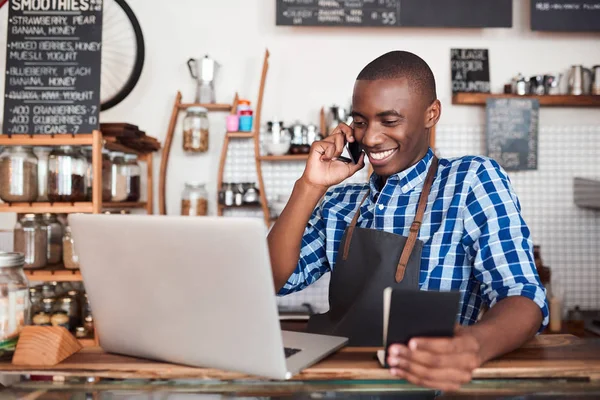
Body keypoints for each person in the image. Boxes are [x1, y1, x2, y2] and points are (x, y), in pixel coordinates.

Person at [267, 50, 548, 392]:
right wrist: (309, 185)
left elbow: (523, 296)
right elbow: (273, 279)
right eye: (359, 121)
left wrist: (473, 345)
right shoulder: (341, 203)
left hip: (428, 390)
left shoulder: (470, 181)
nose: (370, 138)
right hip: (338, 388)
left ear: (431, 114)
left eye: (389, 120)